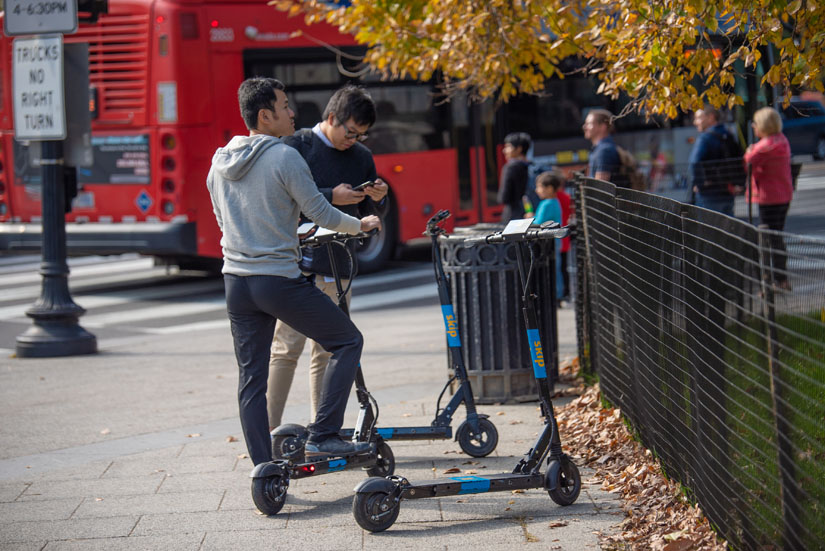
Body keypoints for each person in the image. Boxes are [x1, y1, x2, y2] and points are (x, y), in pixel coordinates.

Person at [206, 77, 382, 467]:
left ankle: (263, 470)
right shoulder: (285, 157)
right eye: (285, 106)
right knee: (346, 341)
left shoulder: (218, 162)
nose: (292, 112)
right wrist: (361, 226)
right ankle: (323, 435)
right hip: (278, 281)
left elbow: (224, 222)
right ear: (265, 115)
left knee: (252, 379)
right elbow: (320, 211)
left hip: (235, 281)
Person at [267, 85, 389, 430]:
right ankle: (267, 430)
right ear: (332, 117)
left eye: (362, 134)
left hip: (337, 264)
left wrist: (378, 198)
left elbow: (366, 213)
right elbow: (280, 199)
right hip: (294, 266)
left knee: (327, 351)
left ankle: (320, 432)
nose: (354, 140)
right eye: (350, 132)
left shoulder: (361, 156)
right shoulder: (296, 147)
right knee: (286, 349)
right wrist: (328, 196)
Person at [744, 106, 794, 290]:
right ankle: (781, 278)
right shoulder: (782, 141)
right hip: (783, 195)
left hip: (768, 197)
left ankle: (771, 281)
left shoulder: (765, 146)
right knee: (777, 238)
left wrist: (750, 150)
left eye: (755, 124)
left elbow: (748, 161)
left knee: (766, 240)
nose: (753, 127)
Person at [688, 105, 742, 215]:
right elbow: (739, 160)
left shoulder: (705, 138)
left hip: (709, 195)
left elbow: (694, 162)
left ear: (711, 117)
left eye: (698, 118)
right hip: (728, 194)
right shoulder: (728, 135)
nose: (695, 122)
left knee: (708, 230)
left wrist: (700, 183)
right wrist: (738, 183)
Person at [532, 171, 565, 301]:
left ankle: (556, 294)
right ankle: (559, 293)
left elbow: (539, 222)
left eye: (539, 187)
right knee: (556, 267)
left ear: (549, 188)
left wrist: (530, 220)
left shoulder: (546, 204)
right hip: (555, 240)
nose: (536, 190)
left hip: (549, 242)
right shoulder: (555, 202)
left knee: (552, 268)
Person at [498, 132, 532, 222]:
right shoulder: (532, 166)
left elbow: (504, 197)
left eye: (508, 147)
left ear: (519, 149)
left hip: (513, 216)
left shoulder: (510, 167)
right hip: (530, 213)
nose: (504, 150)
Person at [583, 109, 620, 183]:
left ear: (603, 127)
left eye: (589, 124)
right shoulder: (599, 149)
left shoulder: (604, 150)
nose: (584, 127)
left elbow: (600, 189)